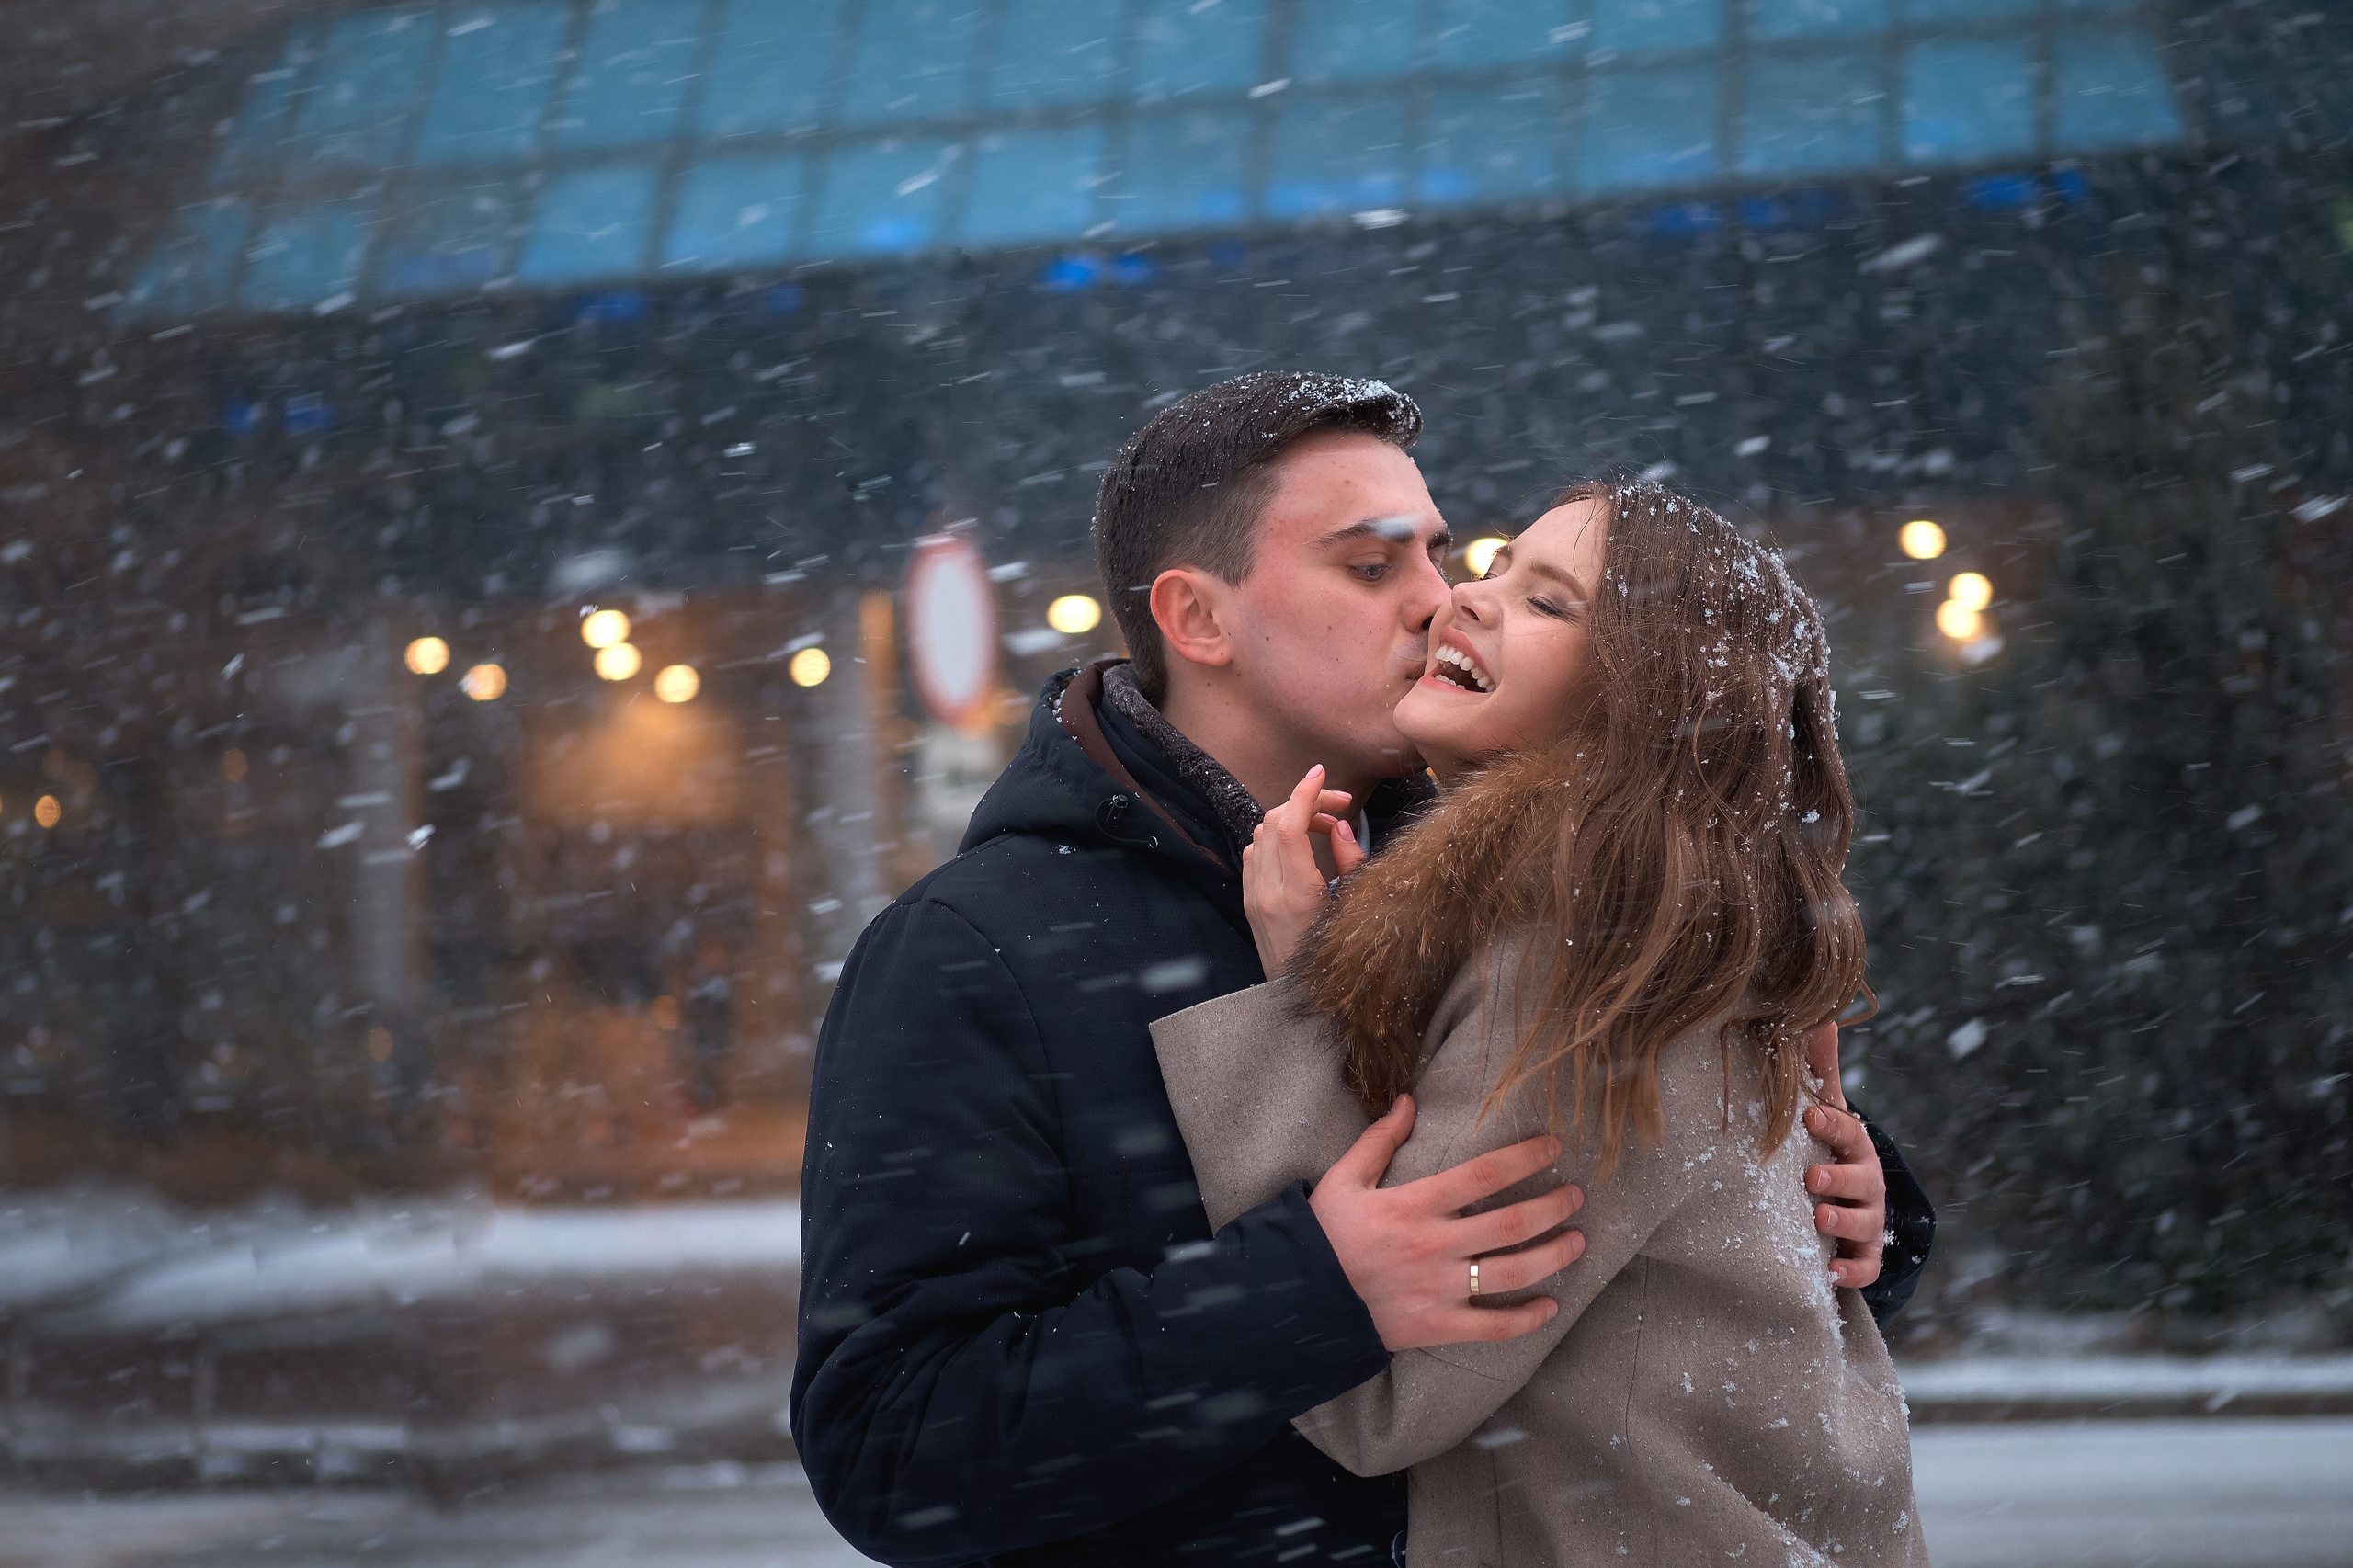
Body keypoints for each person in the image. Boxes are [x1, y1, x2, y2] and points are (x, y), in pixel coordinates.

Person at [790, 373, 1933, 1567]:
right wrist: (1302, 1294)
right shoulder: (978, 949)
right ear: (1200, 619)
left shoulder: (1543, 876)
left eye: (1442, 555)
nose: (1443, 601)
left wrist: (1857, 1208)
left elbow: (1676, 1295)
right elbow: (894, 1443)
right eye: (1372, 565)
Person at [1153, 481, 1926, 1565]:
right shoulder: (1674, 921)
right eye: (1500, 562)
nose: (1461, 597)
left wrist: (1294, 987)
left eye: (1548, 601)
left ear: (1640, 702)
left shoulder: (1589, 962)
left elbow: (1377, 1398)